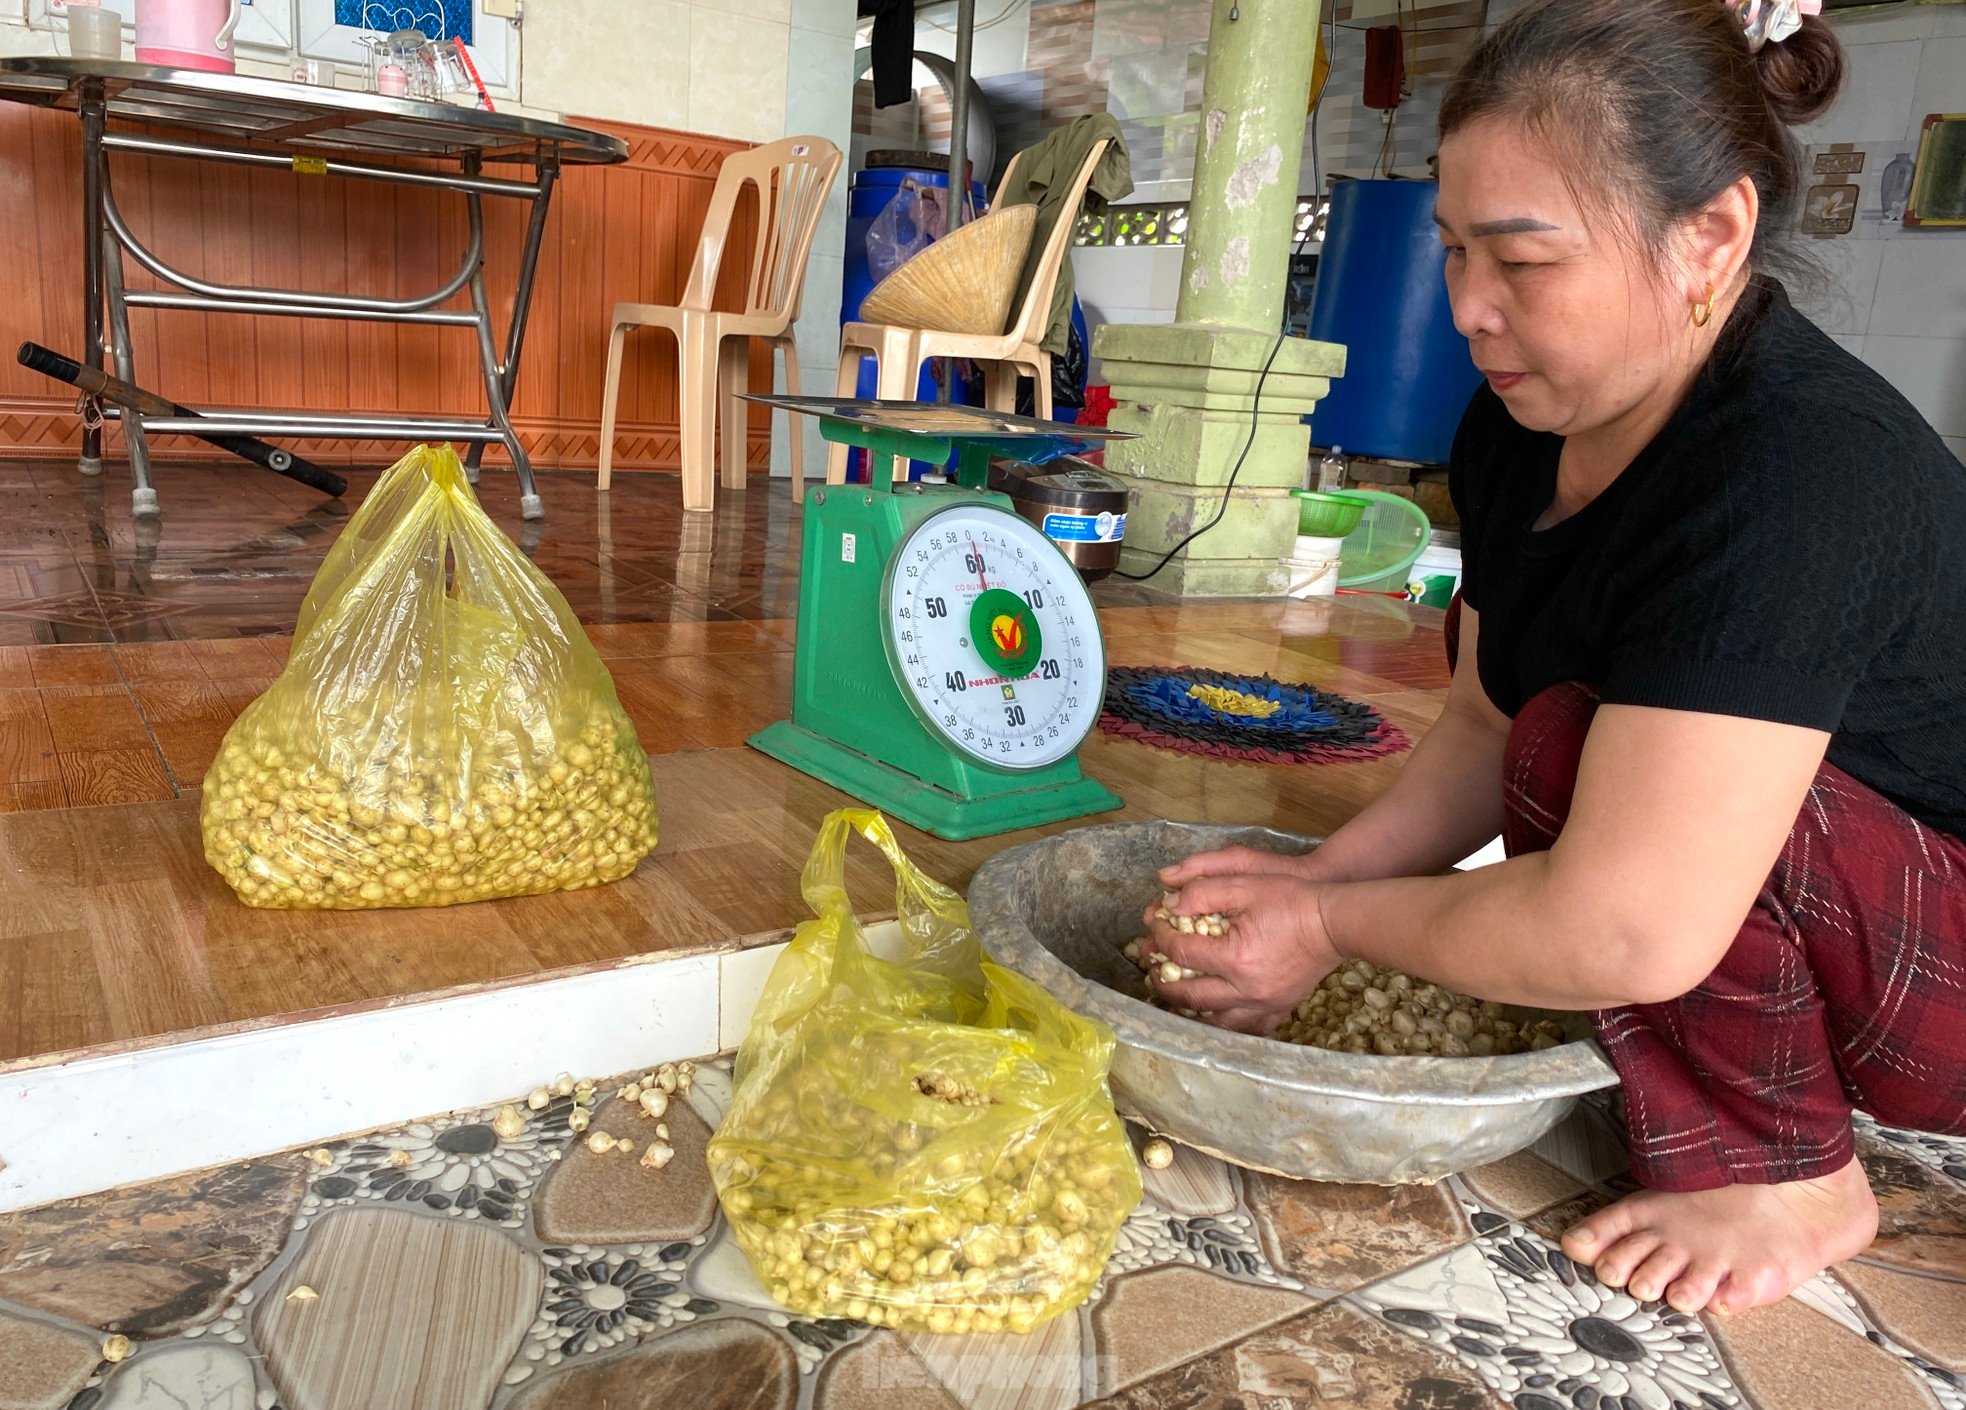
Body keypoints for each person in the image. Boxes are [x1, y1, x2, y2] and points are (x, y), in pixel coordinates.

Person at [1145, 0, 1966, 1318]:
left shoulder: (1800, 473)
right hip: (1838, 921)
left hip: (1945, 975)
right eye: (1453, 249)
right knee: (1553, 738)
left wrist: (1329, 926)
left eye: (1519, 262)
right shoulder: (1519, 425)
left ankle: (1797, 1177)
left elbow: (1629, 924)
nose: (1466, 309)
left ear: (1707, 240)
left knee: (1591, 768)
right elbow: (1482, 718)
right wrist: (1319, 878)